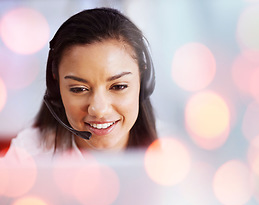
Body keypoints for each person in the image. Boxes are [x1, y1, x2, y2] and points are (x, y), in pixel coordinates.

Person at [2, 7, 157, 160]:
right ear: (57, 89)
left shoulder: (169, 152)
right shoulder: (28, 155)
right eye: (79, 89)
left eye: (118, 86)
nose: (99, 110)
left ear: (143, 81)